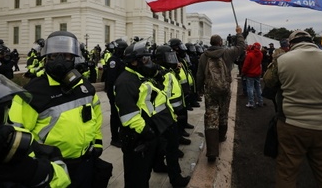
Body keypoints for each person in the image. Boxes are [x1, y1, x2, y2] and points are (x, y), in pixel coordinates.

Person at [9, 31, 112, 188]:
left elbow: (95, 116)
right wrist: (37, 165)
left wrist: (97, 142)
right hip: (52, 168)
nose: (60, 60)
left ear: (74, 58)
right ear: (46, 58)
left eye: (66, 55)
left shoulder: (83, 85)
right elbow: (17, 133)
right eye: (54, 55)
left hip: (85, 162)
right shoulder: (32, 92)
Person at [264, 30, 322, 187]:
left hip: (292, 123)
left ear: (291, 43)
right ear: (312, 40)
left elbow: (268, 81)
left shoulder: (283, 60)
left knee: (287, 171)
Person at [114, 40, 188, 188]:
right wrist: (146, 131)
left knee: (145, 171)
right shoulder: (125, 82)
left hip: (154, 128)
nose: (149, 63)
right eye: (145, 59)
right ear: (134, 62)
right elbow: (128, 114)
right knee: (137, 177)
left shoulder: (140, 74)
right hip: (138, 135)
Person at [196, 26, 245, 162]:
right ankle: (221, 137)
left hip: (210, 91)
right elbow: (241, 46)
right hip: (224, 90)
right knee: (223, 114)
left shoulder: (203, 56)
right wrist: (239, 34)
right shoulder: (227, 53)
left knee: (211, 117)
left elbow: (199, 75)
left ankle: (212, 151)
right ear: (220, 43)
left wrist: (199, 89)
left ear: (211, 43)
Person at [104, 38, 128, 148]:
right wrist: (112, 95)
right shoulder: (113, 60)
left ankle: (120, 135)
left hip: (121, 92)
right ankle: (115, 138)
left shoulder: (122, 60)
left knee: (121, 115)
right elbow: (111, 79)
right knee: (115, 116)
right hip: (114, 92)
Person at [242, 42, 263, 108]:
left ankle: (251, 102)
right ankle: (260, 101)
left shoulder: (250, 55)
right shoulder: (261, 54)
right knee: (258, 88)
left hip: (250, 74)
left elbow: (246, 66)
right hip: (257, 73)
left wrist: (243, 72)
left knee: (250, 88)